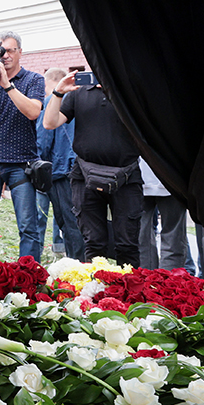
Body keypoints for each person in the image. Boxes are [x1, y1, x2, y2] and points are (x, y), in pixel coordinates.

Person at [45, 71, 142, 266]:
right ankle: (95, 292)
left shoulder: (132, 92)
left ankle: (129, 293)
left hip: (126, 176)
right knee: (93, 244)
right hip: (85, 176)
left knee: (127, 245)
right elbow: (49, 122)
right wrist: (58, 92)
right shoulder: (77, 93)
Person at [0, 30, 45, 260]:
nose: (5, 56)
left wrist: (7, 85)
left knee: (28, 228)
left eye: (10, 51)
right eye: (1, 52)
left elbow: (33, 112)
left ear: (20, 52)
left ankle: (28, 276)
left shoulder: (33, 79)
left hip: (21, 163)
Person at [36, 68, 85, 261]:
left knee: (68, 222)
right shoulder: (81, 101)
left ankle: (77, 265)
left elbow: (43, 141)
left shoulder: (50, 103)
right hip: (82, 168)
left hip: (60, 170)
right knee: (83, 221)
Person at [138, 159, 188, 270]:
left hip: (171, 178)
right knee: (172, 239)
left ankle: (166, 282)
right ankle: (154, 281)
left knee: (172, 239)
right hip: (168, 175)